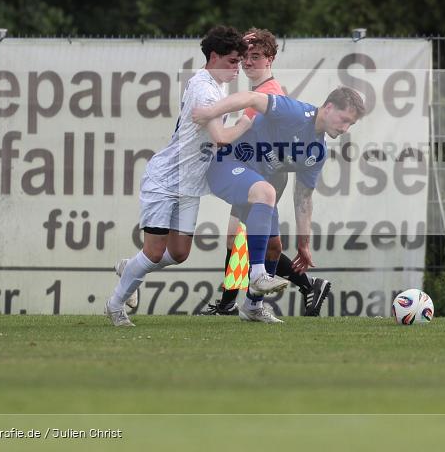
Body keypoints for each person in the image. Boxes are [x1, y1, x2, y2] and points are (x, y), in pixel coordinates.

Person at [105, 25, 257, 327]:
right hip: (165, 179)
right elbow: (220, 138)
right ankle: (115, 305)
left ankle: (130, 267)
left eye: (239, 62)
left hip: (189, 183)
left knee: (178, 253)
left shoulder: (217, 85)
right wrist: (246, 121)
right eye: (232, 61)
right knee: (153, 252)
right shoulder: (203, 88)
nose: (237, 68)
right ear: (213, 57)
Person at [193, 86, 365, 323]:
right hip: (226, 164)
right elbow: (252, 98)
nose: (345, 129)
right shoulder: (296, 113)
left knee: (274, 247)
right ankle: (257, 276)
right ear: (328, 107)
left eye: (350, 125)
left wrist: (304, 244)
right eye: (344, 120)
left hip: (256, 184)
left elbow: (303, 198)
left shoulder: (317, 152)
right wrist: (210, 112)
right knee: (266, 193)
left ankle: (253, 307)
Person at [201, 28, 333, 318]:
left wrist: (212, 128)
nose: (248, 62)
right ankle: (300, 287)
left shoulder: (266, 92)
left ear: (270, 59)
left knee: (244, 238)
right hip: (254, 170)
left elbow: (236, 133)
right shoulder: (261, 89)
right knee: (250, 240)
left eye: (256, 56)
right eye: (245, 57)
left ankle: (237, 302)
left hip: (266, 174)